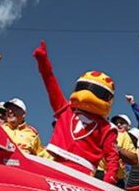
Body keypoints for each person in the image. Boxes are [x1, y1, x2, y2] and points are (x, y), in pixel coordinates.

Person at [32, 40, 119, 183]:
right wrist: (43, 61)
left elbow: (112, 155)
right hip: (55, 166)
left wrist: (110, 176)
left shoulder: (107, 128)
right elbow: (50, 83)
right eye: (83, 87)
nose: (87, 93)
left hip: (84, 174)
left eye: (97, 91)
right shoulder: (65, 109)